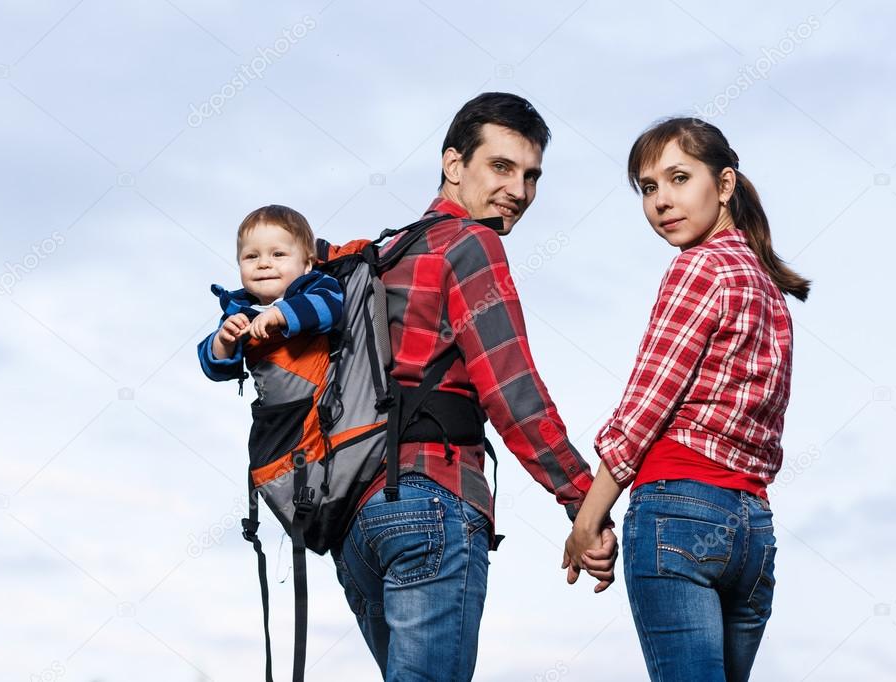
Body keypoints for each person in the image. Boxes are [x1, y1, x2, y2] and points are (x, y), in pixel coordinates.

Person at [331, 92, 617, 681]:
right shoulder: (471, 245)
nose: (519, 190)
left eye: (532, 175)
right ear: (454, 165)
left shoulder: (383, 253)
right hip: (430, 501)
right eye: (502, 167)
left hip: (358, 525)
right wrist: (584, 502)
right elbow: (513, 393)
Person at [564, 117, 810, 681]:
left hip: (679, 514)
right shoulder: (769, 289)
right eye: (648, 188)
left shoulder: (699, 268)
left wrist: (587, 520)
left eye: (678, 178)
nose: (661, 202)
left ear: (723, 185)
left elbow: (646, 407)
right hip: (753, 533)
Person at [196, 203, 343, 388]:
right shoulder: (239, 312)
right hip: (279, 412)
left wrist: (277, 314)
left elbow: (329, 307)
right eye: (251, 256)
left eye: (278, 254)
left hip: (328, 400)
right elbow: (214, 372)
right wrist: (223, 341)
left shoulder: (317, 285)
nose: (263, 263)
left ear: (307, 264)